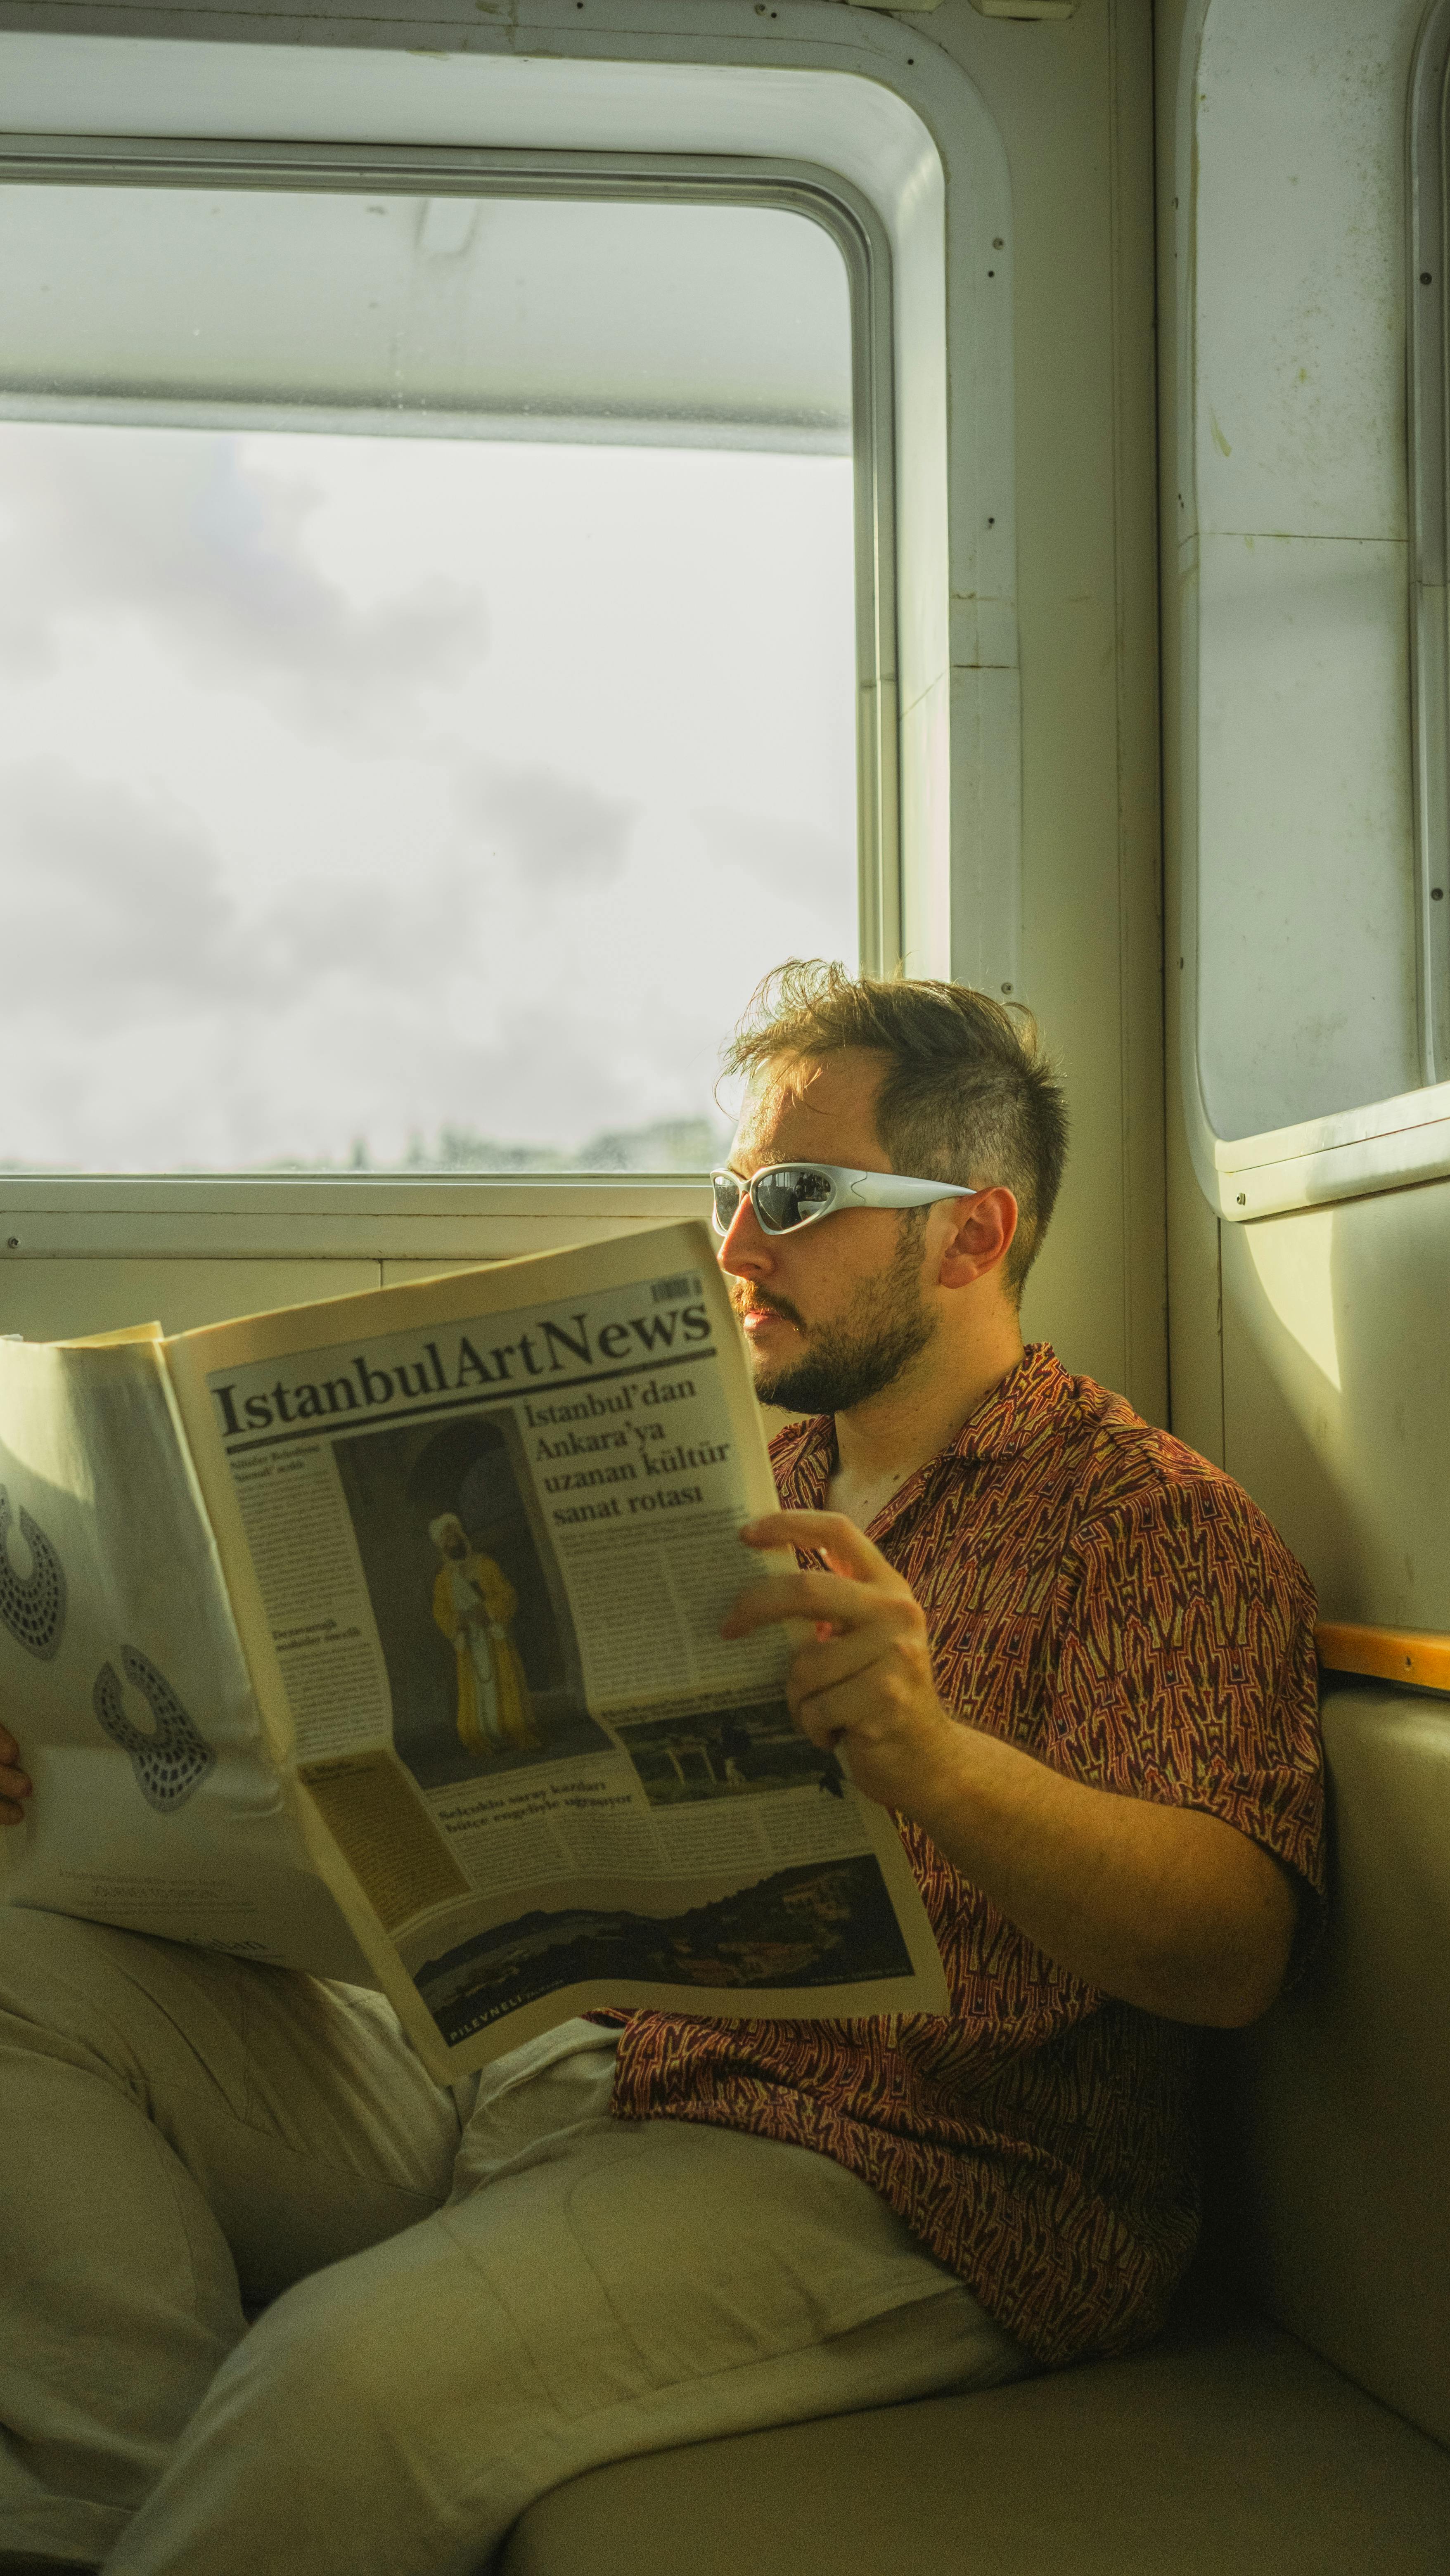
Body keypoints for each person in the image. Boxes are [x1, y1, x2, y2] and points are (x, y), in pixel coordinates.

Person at [0, 964, 1323, 2576]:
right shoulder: (729, 1475)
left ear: (968, 1235)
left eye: (790, 1194)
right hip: (573, 2063)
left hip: (904, 2166)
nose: (734, 1244)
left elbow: (1231, 1949)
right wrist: (84, 1778)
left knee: (331, 2387)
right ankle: (105, 2518)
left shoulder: (1151, 1524)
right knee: (20, 1965)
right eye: (727, 1192)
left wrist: (931, 1759)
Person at [427, 1512, 538, 1757]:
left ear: (462, 1536)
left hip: (493, 1635)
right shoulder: (443, 1580)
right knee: (477, 1695)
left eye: (454, 1536)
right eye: (446, 1540)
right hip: (469, 1642)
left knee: (504, 1685)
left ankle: (514, 1735)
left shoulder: (485, 1565)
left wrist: (487, 1611)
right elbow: (440, 1610)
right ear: (441, 1547)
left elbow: (507, 1594)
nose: (451, 1542)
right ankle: (487, 1740)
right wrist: (458, 1623)